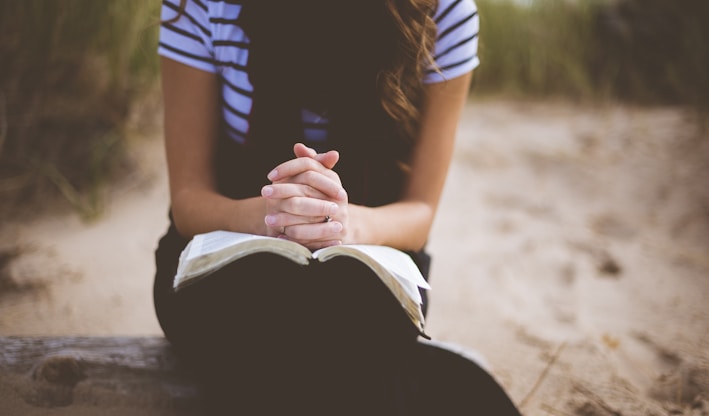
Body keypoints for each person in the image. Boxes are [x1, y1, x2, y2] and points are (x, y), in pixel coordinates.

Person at [153, 0, 521, 414]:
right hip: (225, 255)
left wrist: (343, 224)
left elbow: (419, 211)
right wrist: (275, 216)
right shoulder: (203, 5)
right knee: (265, 322)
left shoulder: (443, 11)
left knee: (343, 317)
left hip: (370, 263)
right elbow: (188, 200)